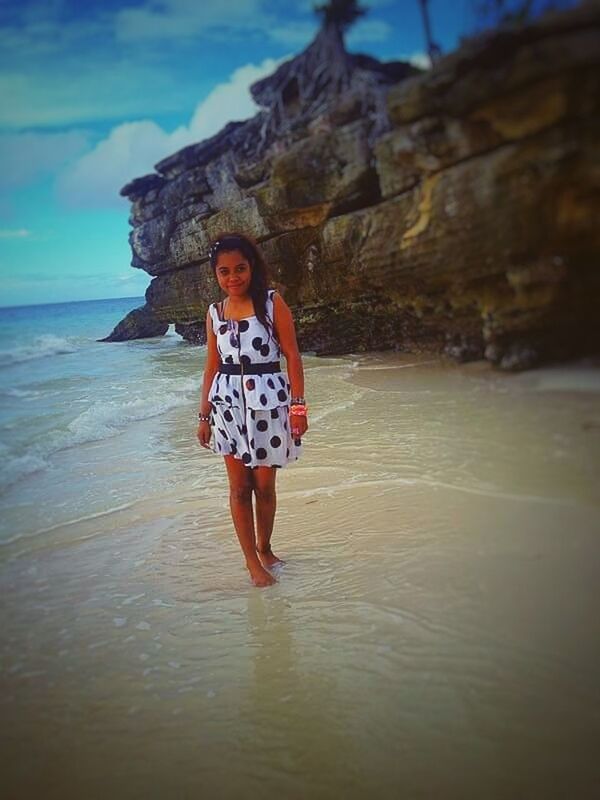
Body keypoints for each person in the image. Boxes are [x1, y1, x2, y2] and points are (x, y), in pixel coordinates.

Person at [196, 232, 309, 587]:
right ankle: (252, 564)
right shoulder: (215, 313)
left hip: (268, 405)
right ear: (215, 274)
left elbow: (292, 355)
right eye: (224, 271)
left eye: (240, 269)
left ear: (252, 267)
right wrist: (203, 416)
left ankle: (265, 547)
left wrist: (298, 408)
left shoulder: (272, 303)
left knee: (265, 486)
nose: (233, 278)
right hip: (227, 406)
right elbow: (211, 365)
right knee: (239, 488)